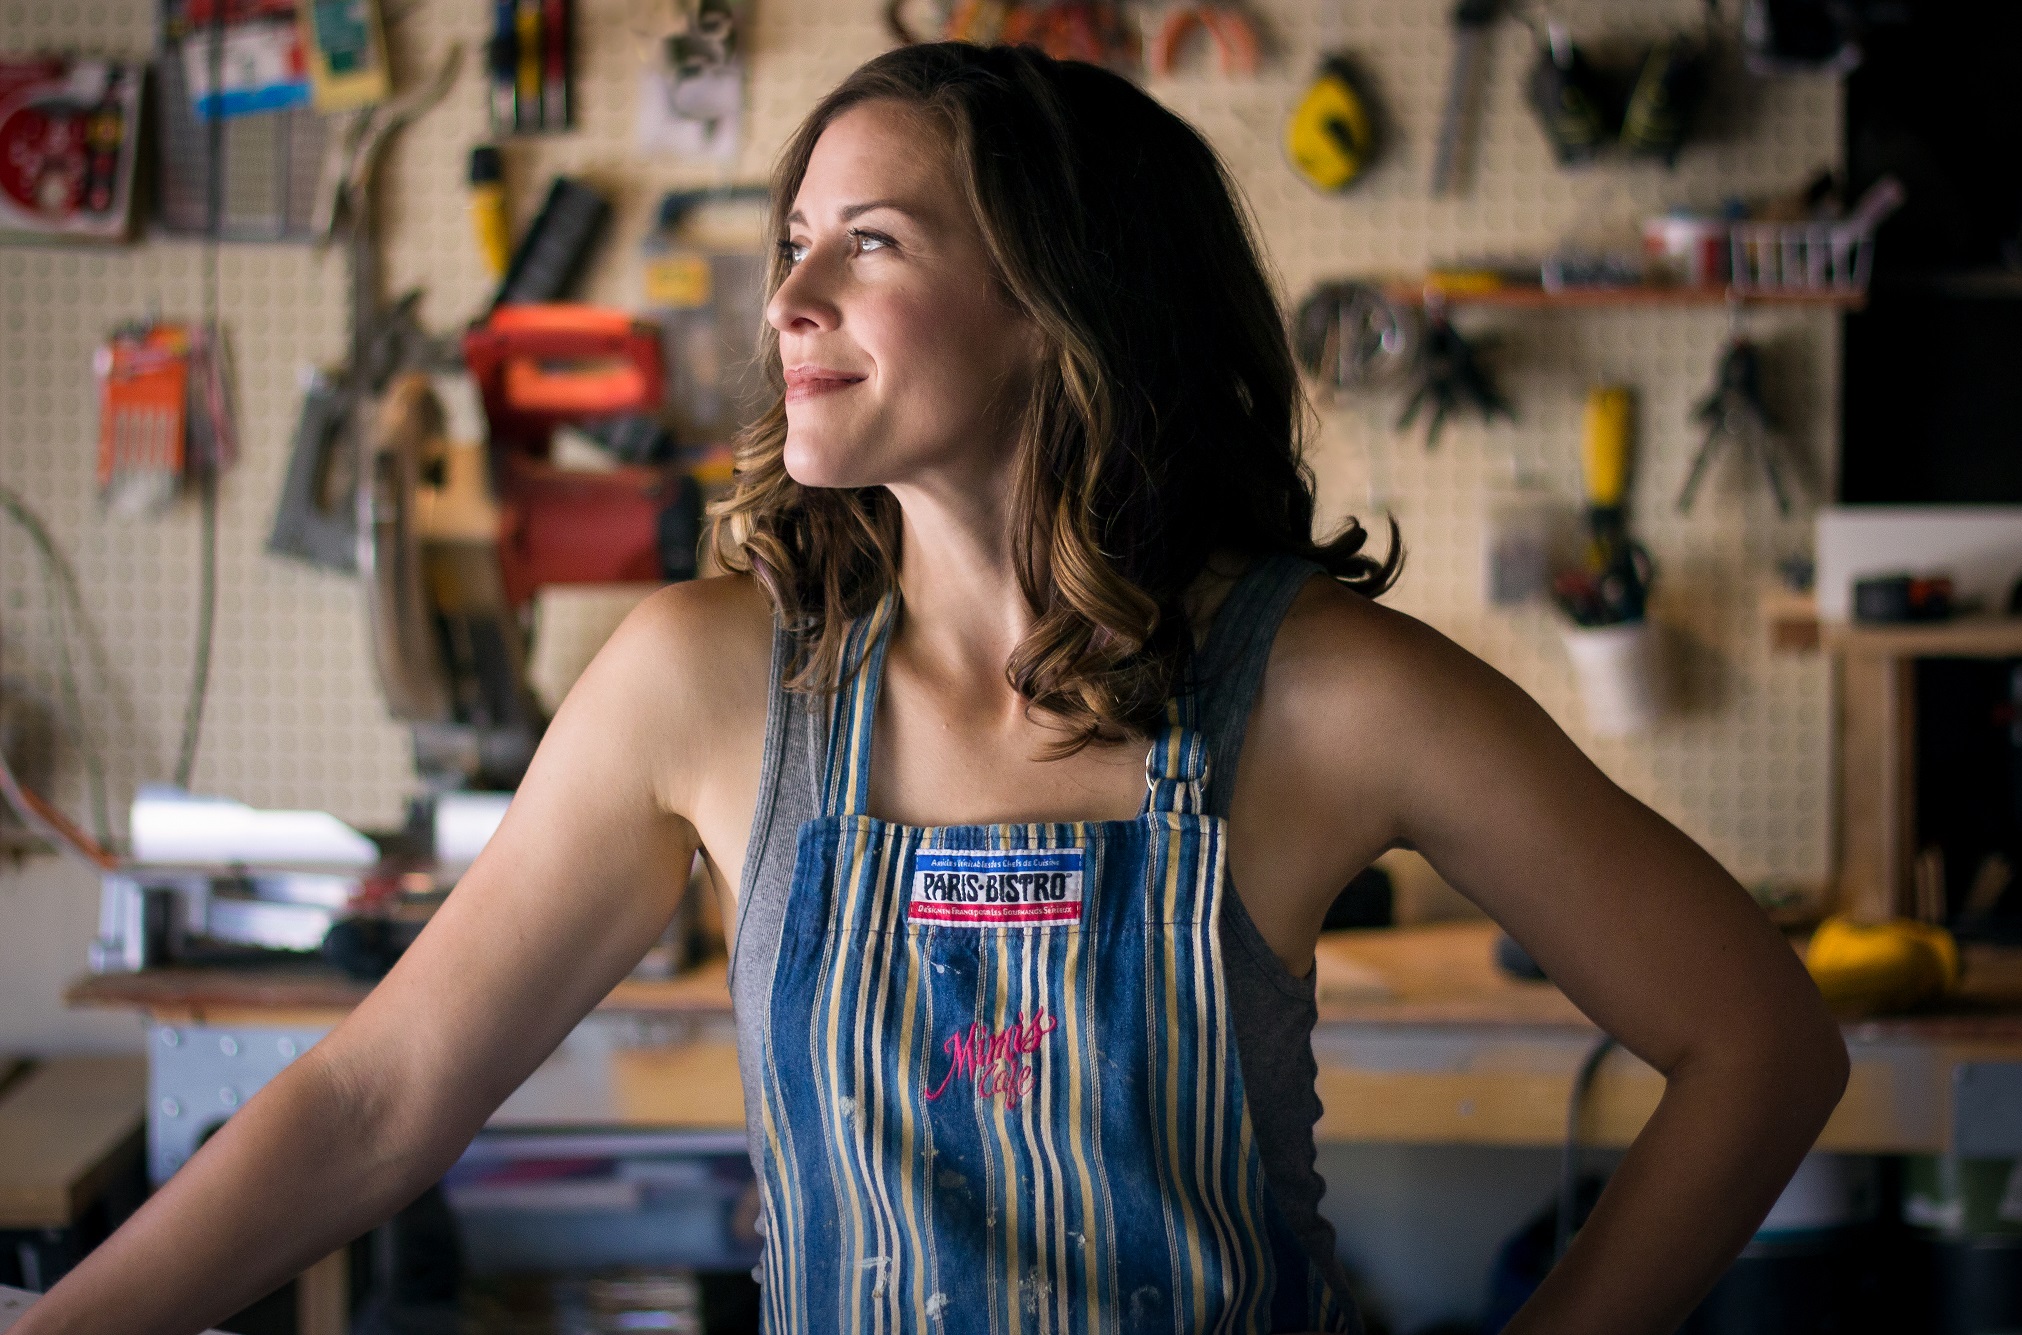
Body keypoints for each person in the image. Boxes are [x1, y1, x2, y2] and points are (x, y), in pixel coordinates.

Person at [20, 41, 1847, 1335]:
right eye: (789, 242)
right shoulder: (702, 684)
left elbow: (1758, 1041)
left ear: (1061, 305)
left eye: (868, 243)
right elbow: (371, 1104)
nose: (789, 296)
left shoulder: (1321, 691)